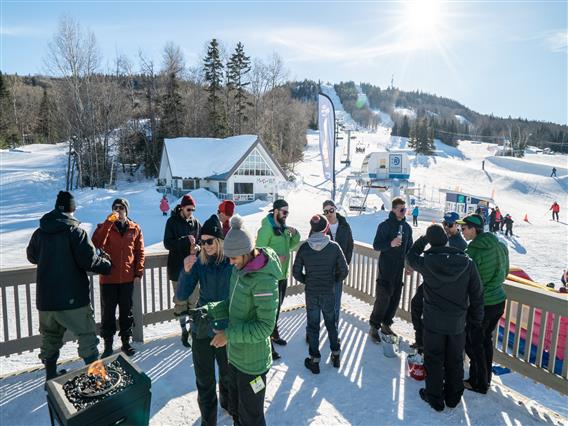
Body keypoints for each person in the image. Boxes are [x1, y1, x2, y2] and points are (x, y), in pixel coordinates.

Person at [26, 191, 111, 384]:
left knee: (50, 338)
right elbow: (89, 261)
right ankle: (97, 380)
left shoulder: (40, 232)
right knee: (87, 337)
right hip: (72, 298)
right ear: (73, 208)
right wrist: (106, 263)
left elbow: (31, 256)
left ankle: (50, 377)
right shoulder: (75, 232)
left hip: (46, 300)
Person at [207, 215, 281, 426]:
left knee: (252, 417)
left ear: (248, 252)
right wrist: (209, 310)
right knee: (237, 412)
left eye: (234, 258)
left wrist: (228, 335)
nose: (230, 263)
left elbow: (265, 327)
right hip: (237, 358)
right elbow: (232, 305)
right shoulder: (240, 270)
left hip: (253, 364)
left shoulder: (264, 281)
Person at [406, 225, 484, 412]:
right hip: (457, 323)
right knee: (455, 359)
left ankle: (435, 398)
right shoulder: (467, 263)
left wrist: (424, 239)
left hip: (433, 322)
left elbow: (411, 256)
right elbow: (477, 294)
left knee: (434, 359)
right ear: (446, 240)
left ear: (431, 242)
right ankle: (453, 397)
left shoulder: (427, 262)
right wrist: (476, 319)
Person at [176, 215, 233, 425]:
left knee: (228, 375)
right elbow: (182, 294)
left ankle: (229, 404)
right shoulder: (200, 262)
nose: (205, 246)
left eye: (209, 241)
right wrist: (186, 271)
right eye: (202, 241)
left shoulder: (231, 262)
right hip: (202, 327)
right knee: (204, 380)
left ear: (219, 240)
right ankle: (208, 420)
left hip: (225, 328)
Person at [457, 213, 509, 394]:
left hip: (481, 305)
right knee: (485, 340)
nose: (462, 231)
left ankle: (478, 382)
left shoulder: (472, 252)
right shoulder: (500, 246)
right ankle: (485, 378)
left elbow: (467, 282)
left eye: (464, 228)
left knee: (473, 343)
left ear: (473, 229)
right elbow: (506, 272)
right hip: (498, 301)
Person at [293, 214, 349, 374]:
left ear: (312, 228)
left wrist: (307, 280)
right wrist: (334, 280)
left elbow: (296, 272)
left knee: (313, 326)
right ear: (326, 228)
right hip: (328, 292)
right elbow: (345, 270)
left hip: (311, 293)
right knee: (331, 324)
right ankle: (336, 354)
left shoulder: (304, 247)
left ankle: (314, 360)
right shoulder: (334, 247)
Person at [92, 198, 145, 358]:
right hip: (108, 279)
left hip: (128, 279)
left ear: (126, 210)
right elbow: (96, 242)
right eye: (115, 207)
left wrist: (138, 272)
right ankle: (108, 345)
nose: (119, 210)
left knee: (126, 312)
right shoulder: (105, 226)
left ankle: (126, 343)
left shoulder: (134, 228)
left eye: (122, 207)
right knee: (108, 313)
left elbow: (139, 252)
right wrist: (109, 222)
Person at [410, 212, 467, 351]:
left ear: (457, 226)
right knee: (416, 305)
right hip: (432, 283)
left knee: (437, 316)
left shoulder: (460, 244)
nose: (446, 227)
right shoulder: (441, 238)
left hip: (448, 288)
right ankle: (421, 339)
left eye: (450, 224)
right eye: (444, 224)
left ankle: (433, 345)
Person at [256, 199, 301, 358]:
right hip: (269, 278)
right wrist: (273, 258)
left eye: (287, 212)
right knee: (269, 312)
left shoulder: (282, 228)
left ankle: (274, 334)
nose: (286, 215)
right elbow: (258, 254)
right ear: (275, 211)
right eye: (284, 212)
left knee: (277, 309)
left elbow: (291, 246)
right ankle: (267, 346)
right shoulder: (266, 229)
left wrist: (295, 234)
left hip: (282, 276)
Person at [369, 197, 413, 342]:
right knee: (383, 298)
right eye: (401, 209)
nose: (403, 212)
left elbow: (409, 249)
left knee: (395, 298)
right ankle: (374, 326)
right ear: (393, 209)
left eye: (404, 209)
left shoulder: (407, 228)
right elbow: (376, 245)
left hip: (399, 270)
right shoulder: (385, 225)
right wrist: (391, 243)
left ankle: (386, 324)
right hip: (386, 268)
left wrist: (409, 264)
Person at [164, 194, 202, 347]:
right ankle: (183, 330)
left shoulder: (196, 222)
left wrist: (197, 247)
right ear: (181, 207)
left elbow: (200, 242)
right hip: (177, 268)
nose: (191, 212)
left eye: (193, 209)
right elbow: (167, 243)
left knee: (194, 301)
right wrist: (185, 241)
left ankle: (193, 330)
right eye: (188, 209)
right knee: (181, 301)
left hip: (193, 268)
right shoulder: (172, 221)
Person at [322, 200, 353, 329]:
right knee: (322, 301)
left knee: (336, 302)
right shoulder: (320, 226)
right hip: (323, 272)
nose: (329, 213)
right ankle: (315, 328)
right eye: (326, 211)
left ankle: (333, 328)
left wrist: (344, 265)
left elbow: (350, 247)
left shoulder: (344, 226)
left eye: (331, 210)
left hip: (338, 272)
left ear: (335, 209)